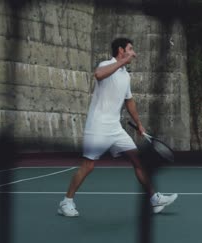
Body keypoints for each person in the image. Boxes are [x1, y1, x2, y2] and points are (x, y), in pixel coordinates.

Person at [58, 38, 177, 217]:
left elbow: (129, 102)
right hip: (97, 126)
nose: (134, 53)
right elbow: (98, 75)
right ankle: (66, 202)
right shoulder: (106, 64)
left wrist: (139, 125)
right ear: (121, 50)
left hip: (115, 128)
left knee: (138, 160)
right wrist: (122, 61)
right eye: (131, 49)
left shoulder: (126, 75)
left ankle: (155, 199)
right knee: (88, 165)